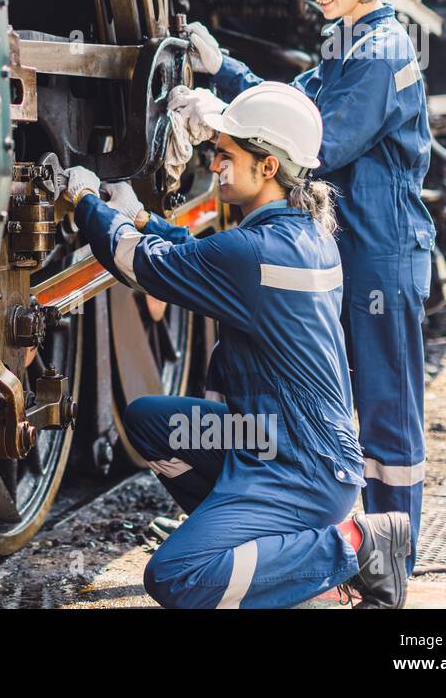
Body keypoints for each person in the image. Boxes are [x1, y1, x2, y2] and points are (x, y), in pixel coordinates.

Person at [64, 82, 411, 609]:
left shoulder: (255, 251)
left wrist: (86, 201)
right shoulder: (303, 234)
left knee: (175, 577)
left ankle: (356, 548)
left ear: (267, 166)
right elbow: (207, 260)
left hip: (299, 465)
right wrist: (139, 217)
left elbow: (147, 266)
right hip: (280, 443)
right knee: (150, 422)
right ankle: (254, 541)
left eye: (226, 156)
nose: (217, 166)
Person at [185, 0, 435, 583]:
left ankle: (393, 562)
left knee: (387, 412)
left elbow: (319, 139)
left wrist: (220, 115)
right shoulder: (348, 46)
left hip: (382, 252)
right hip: (356, 247)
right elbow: (294, 105)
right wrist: (225, 72)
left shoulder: (382, 51)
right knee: (350, 406)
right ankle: (361, 547)